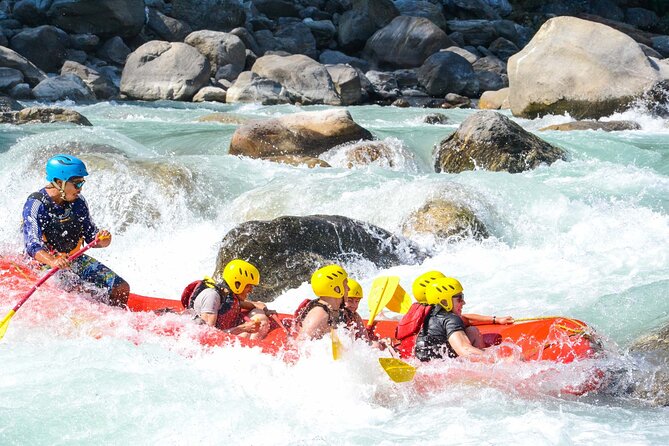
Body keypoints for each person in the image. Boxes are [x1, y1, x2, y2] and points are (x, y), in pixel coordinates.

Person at [22, 154, 129, 307]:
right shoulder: (36, 205)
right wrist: (53, 261)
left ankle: (118, 321)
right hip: (45, 264)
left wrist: (103, 240)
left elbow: (91, 235)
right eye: (77, 184)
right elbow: (32, 245)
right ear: (59, 182)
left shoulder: (78, 202)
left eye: (82, 183)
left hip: (73, 259)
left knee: (121, 288)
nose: (81, 188)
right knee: (81, 294)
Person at [187, 259, 271, 340]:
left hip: (225, 333)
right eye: (248, 286)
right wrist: (243, 328)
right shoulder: (211, 297)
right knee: (259, 321)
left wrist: (262, 307)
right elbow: (207, 335)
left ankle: (253, 345)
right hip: (209, 341)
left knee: (260, 315)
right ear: (237, 284)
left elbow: (248, 304)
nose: (251, 290)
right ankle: (253, 348)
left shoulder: (229, 294)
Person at [415, 277, 495, 361]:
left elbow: (465, 320)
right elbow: (465, 350)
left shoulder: (429, 314)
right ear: (444, 301)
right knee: (473, 333)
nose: (464, 302)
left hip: (424, 362)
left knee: (472, 331)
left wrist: (494, 319)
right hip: (439, 369)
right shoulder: (450, 319)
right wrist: (497, 359)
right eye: (460, 298)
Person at [294, 264, 348, 341]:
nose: (348, 289)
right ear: (336, 289)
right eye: (346, 284)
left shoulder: (337, 310)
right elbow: (300, 343)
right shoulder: (319, 314)